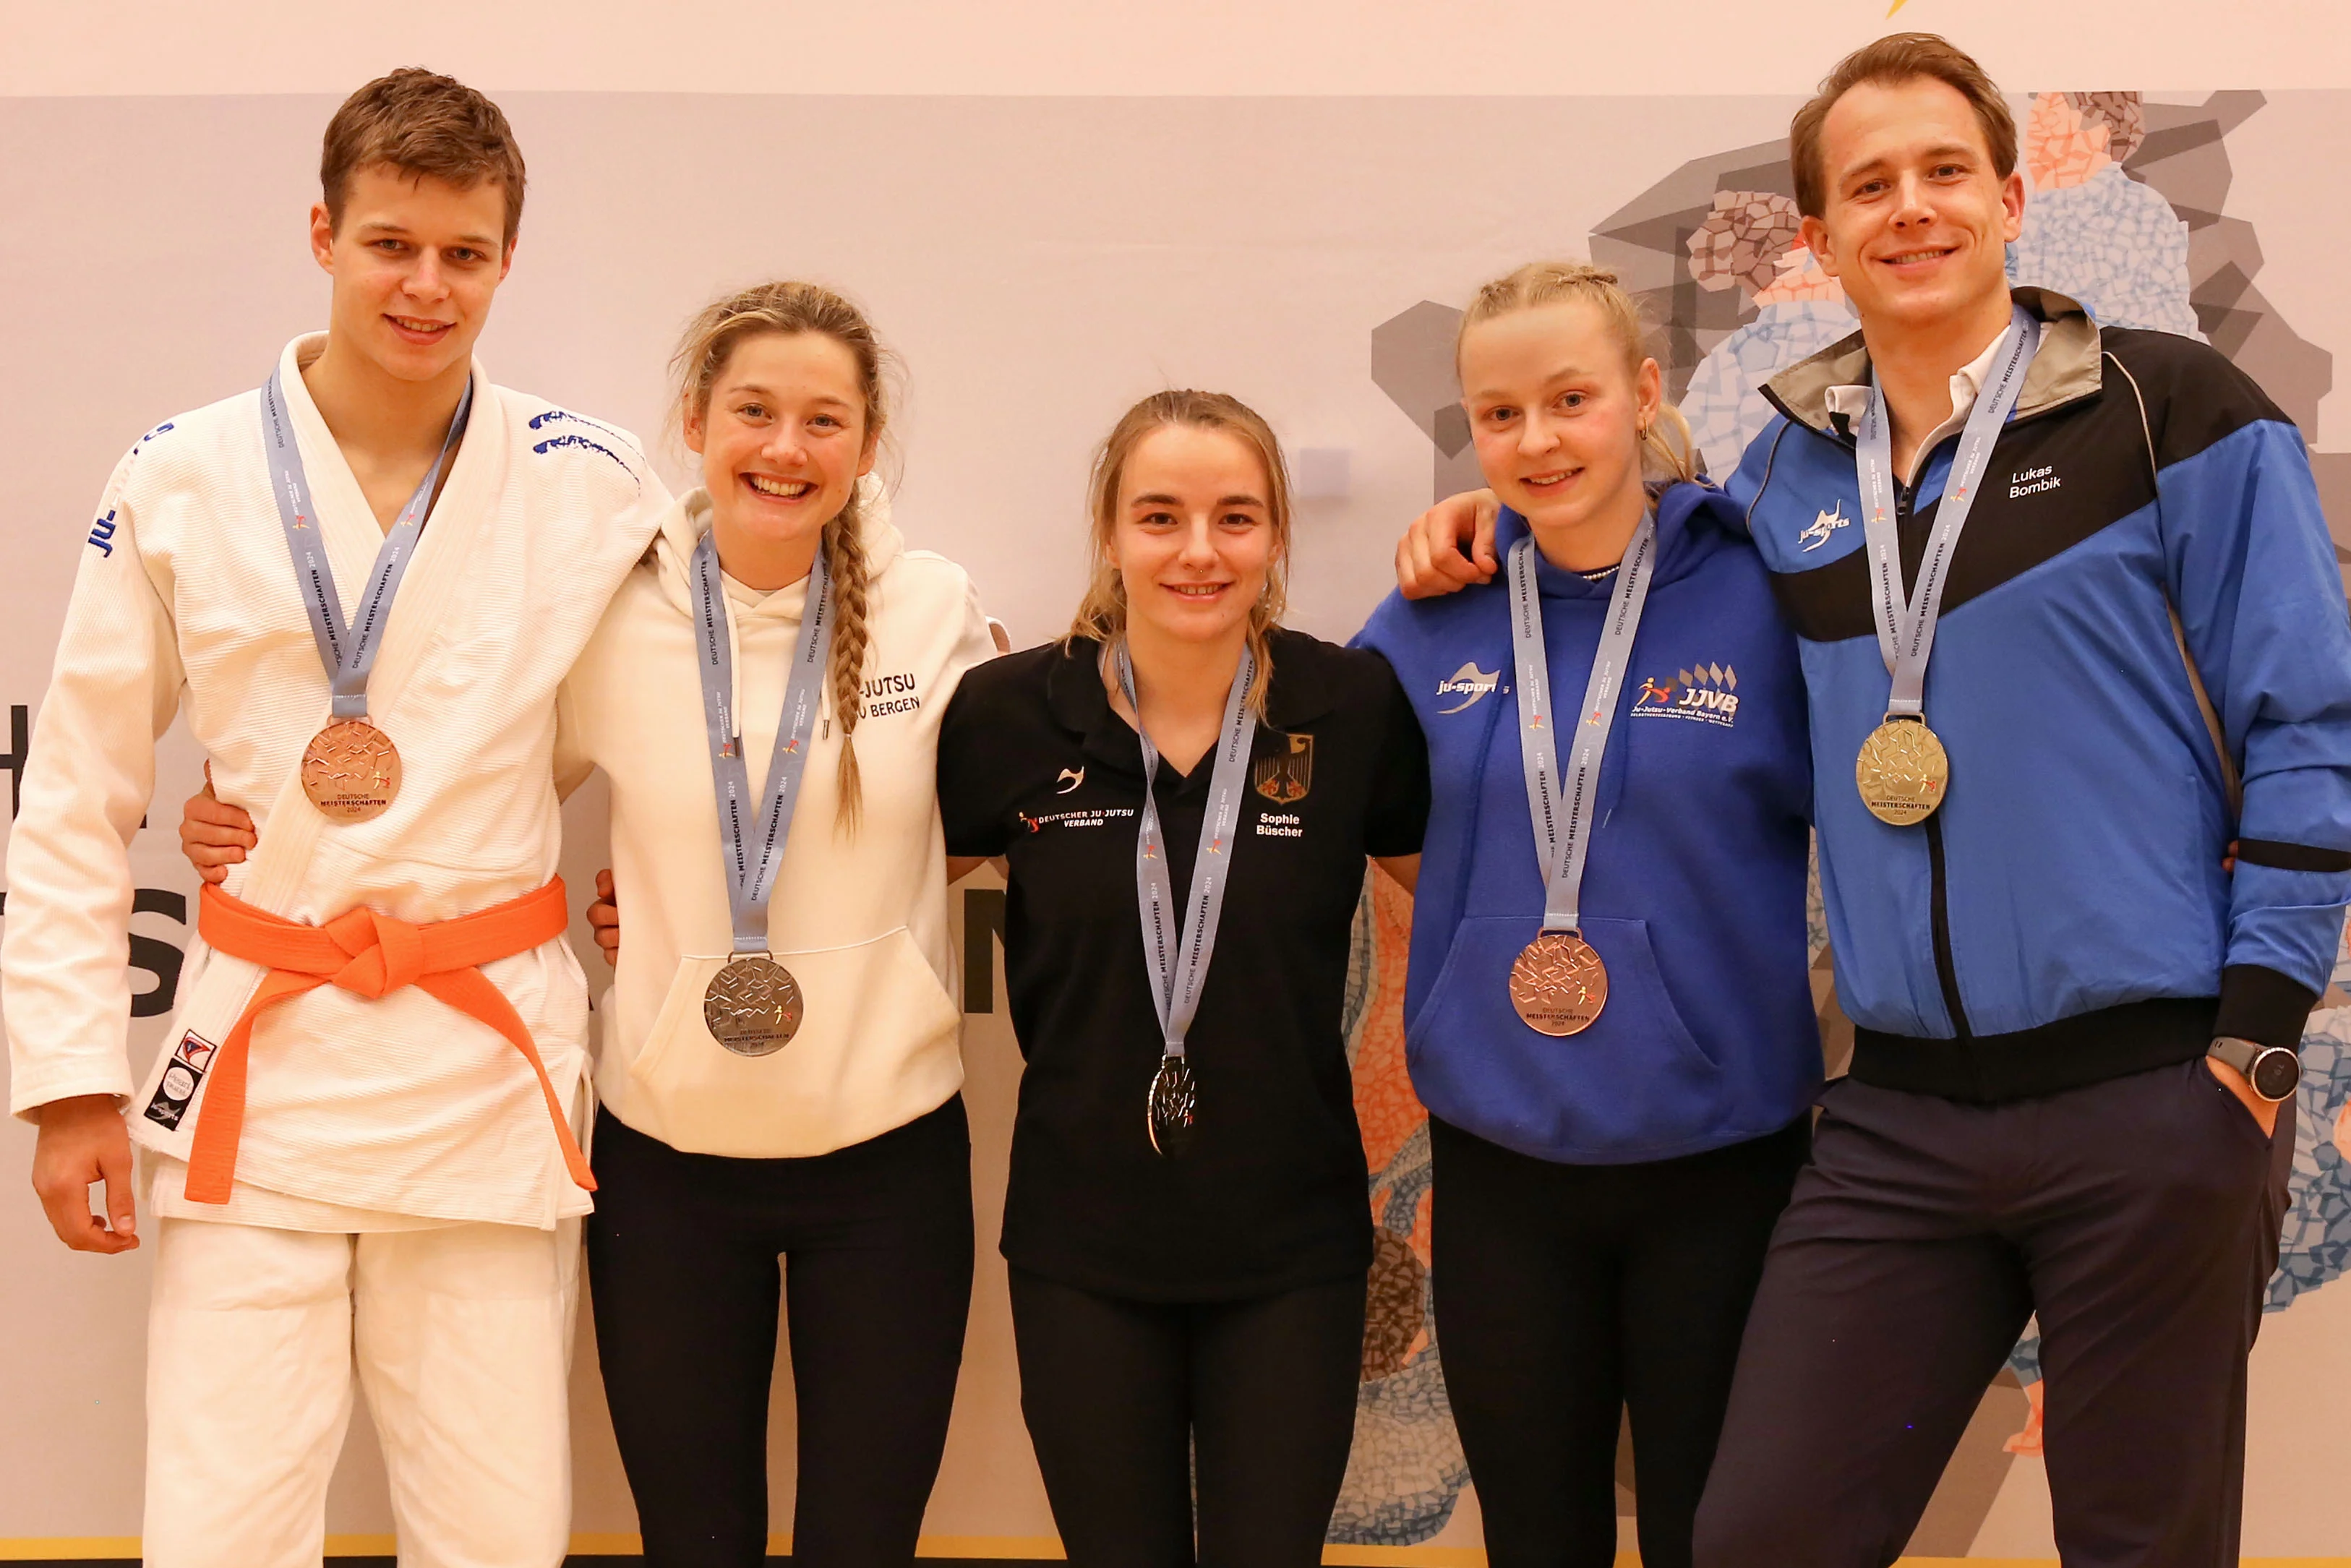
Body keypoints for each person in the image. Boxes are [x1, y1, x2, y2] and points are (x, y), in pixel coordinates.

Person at [1391, 33, 2351, 1567]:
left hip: (2155, 1093)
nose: (1911, 208)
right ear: (1821, 239)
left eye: (1944, 171)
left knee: (2142, 1542)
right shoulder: (1782, 478)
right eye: (1868, 186)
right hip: (1898, 1116)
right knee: (1761, 1533)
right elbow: (1627, 547)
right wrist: (1494, 520)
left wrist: (2252, 1039)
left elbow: (2313, 719)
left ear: (2013, 195)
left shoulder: (2175, 410)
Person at [179, 280, 998, 1568]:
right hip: (667, 1160)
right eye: (755, 412)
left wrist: (839, 924)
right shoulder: (611, 609)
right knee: (693, 1539)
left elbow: (1011, 813)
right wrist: (256, 827)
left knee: (865, 1543)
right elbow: (448, 794)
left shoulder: (939, 609)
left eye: (823, 420)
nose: (786, 449)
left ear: (868, 443)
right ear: (695, 421)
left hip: (888, 1158)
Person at [4, 70, 669, 1567]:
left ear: (509, 257)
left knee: (496, 1537)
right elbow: (76, 793)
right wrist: (63, 1084)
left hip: (479, 1066)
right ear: (321, 232)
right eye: (390, 243)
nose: (426, 287)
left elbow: (686, 719)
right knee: (216, 1536)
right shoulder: (180, 474)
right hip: (262, 1057)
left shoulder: (593, 479)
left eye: (464, 252)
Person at [1353, 262, 1816, 1568]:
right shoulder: (1429, 613)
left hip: (1722, 1161)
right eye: (1499, 414)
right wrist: (1499, 933)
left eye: (1571, 398)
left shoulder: (1759, 591)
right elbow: (1386, 830)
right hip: (1506, 1166)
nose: (1537, 439)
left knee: (1712, 1537)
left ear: (1644, 393)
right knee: (1536, 1536)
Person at [935, 391, 1429, 1566]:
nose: (1199, 552)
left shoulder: (1349, 707)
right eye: (1160, 517)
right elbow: (858, 894)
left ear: (1276, 539)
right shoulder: (1011, 714)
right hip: (1081, 1247)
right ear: (1109, 533)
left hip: (1292, 1252)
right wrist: (663, 911)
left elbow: (1473, 898)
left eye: (1236, 518)